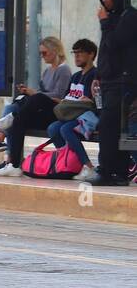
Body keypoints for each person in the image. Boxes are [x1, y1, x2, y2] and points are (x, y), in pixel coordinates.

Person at [0, 37, 72, 174]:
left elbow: (59, 95)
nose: (42, 56)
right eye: (40, 53)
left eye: (44, 53)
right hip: (42, 109)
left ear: (55, 51)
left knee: (36, 97)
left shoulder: (63, 70)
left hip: (55, 110)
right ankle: (13, 165)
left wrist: (35, 93)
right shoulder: (47, 71)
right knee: (18, 119)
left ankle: (10, 118)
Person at [93, 0, 137, 185]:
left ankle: (109, 170)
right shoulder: (113, 18)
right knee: (116, 128)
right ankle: (119, 172)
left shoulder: (129, 17)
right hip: (109, 82)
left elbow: (115, 44)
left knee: (111, 127)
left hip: (123, 82)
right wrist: (98, 76)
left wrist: (104, 23)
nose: (103, 1)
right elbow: (105, 52)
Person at [42, 39, 100, 184]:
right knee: (53, 128)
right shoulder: (75, 76)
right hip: (72, 114)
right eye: (75, 53)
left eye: (80, 53)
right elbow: (67, 97)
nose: (77, 56)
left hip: (88, 117)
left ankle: (88, 166)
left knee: (66, 129)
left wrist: (89, 100)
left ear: (91, 54)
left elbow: (95, 102)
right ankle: (70, 162)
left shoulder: (96, 75)